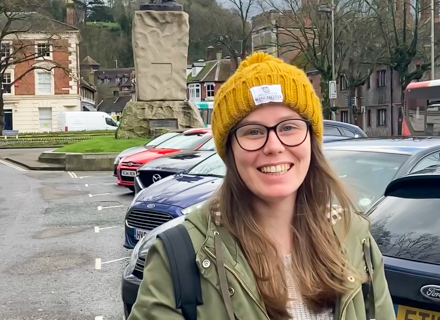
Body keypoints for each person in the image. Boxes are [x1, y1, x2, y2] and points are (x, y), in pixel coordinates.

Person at [128, 52, 395, 320]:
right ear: (229, 149)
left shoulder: (356, 238)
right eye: (253, 131)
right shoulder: (177, 255)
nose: (274, 147)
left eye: (289, 127)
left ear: (311, 140)